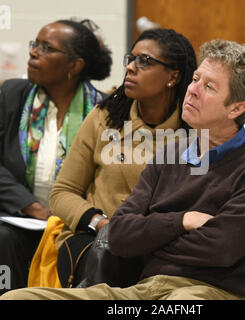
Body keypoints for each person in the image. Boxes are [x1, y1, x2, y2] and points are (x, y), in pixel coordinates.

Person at [1, 39, 245, 300]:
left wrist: (147, 240)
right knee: (15, 298)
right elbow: (119, 235)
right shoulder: (172, 152)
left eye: (209, 86)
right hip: (144, 289)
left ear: (236, 109)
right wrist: (182, 221)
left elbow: (221, 248)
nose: (192, 90)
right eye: (196, 79)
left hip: (210, 292)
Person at [26, 28, 197, 289]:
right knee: (111, 257)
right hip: (97, 240)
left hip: (162, 244)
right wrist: (100, 222)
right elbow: (63, 192)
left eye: (145, 62)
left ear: (173, 77)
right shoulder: (105, 117)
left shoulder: (194, 130)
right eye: (131, 58)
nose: (130, 68)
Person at [0, 18, 112, 294]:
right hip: (18, 217)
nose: (34, 52)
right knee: (3, 238)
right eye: (34, 45)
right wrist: (32, 206)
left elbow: (105, 178)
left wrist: (71, 212)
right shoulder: (12, 95)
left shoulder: (103, 112)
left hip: (73, 222)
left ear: (74, 66)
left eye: (46, 48)